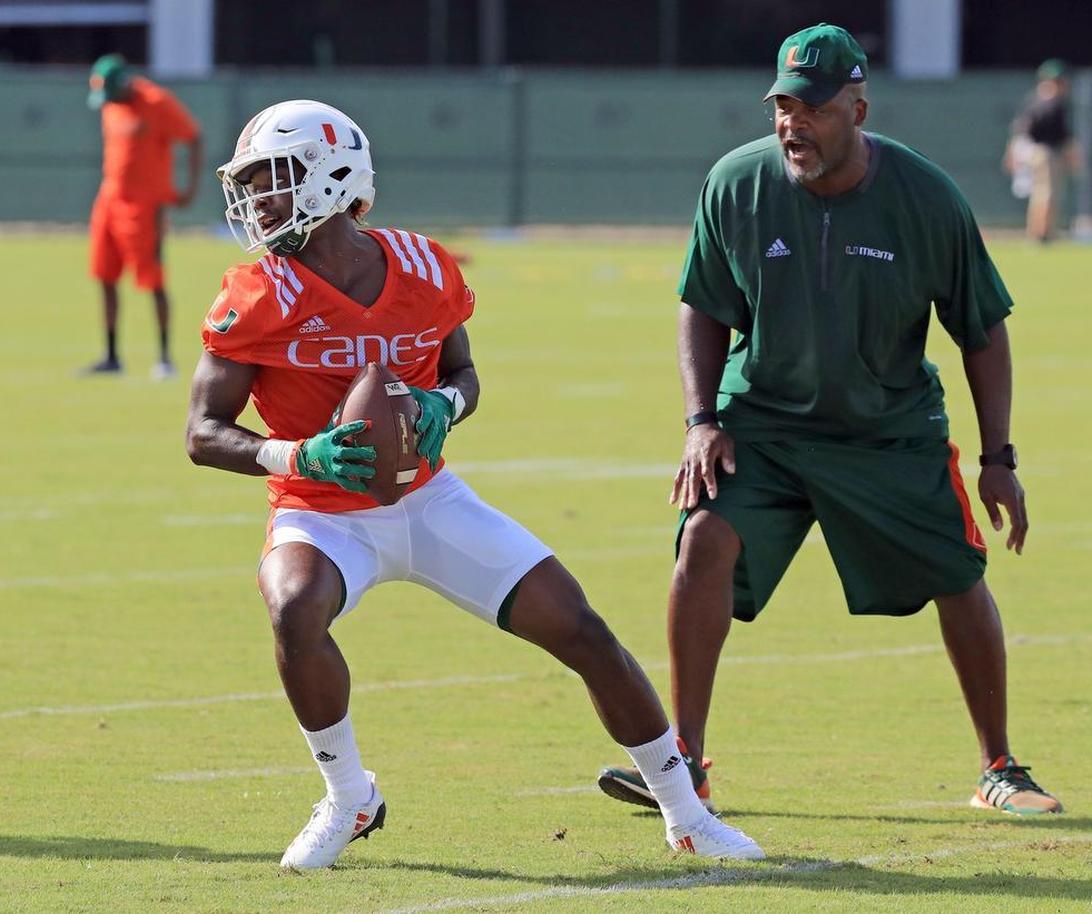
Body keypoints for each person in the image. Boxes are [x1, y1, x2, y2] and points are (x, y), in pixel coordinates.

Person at [184, 99, 764, 869]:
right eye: (253, 184)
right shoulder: (255, 294)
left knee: (581, 629)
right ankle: (349, 797)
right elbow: (202, 432)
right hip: (322, 513)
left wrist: (442, 405)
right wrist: (297, 457)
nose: (259, 201)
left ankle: (687, 813)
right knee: (293, 608)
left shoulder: (423, 267)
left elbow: (464, 373)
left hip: (428, 500)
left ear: (331, 176)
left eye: (274, 179)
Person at [598, 23, 1062, 819]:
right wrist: (701, 420)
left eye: (811, 108)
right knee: (703, 538)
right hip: (765, 421)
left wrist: (999, 456)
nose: (792, 124)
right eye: (783, 105)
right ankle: (683, 766)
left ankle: (999, 767)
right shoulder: (737, 183)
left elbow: (981, 329)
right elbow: (703, 306)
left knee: (959, 575)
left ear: (857, 106)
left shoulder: (925, 196)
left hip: (887, 427)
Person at [85, 53, 202, 379]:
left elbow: (193, 137)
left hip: (145, 205)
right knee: (104, 275)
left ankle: (164, 358)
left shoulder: (157, 102)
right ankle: (111, 356)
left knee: (153, 280)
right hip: (109, 198)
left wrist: (188, 189)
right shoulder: (110, 105)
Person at [1003, 59, 1081, 243]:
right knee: (1047, 194)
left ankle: (1036, 232)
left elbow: (1019, 130)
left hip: (1031, 153)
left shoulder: (1033, 100)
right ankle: (1043, 234)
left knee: (1039, 193)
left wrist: (1013, 153)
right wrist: (1073, 155)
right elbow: (1063, 136)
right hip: (1046, 154)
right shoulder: (1054, 103)